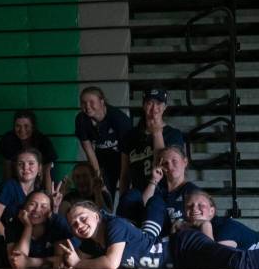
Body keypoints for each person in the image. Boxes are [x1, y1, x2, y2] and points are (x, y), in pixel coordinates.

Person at [58, 196, 259, 269]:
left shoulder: (114, 225)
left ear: (96, 215)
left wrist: (78, 265)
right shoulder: (94, 245)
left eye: (83, 218)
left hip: (184, 246)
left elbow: (110, 265)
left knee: (239, 262)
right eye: (74, 224)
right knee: (237, 263)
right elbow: (68, 261)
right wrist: (67, 263)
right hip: (183, 262)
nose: (79, 225)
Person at [117, 87, 186, 223]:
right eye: (150, 103)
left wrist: (157, 133)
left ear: (165, 107)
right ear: (143, 105)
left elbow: (161, 165)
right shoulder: (130, 136)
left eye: (159, 103)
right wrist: (122, 200)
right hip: (137, 194)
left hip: (162, 193)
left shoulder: (173, 134)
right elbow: (124, 173)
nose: (154, 108)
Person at [74, 86, 132, 196]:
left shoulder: (119, 119)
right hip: (103, 158)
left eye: (92, 102)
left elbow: (126, 153)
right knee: (103, 192)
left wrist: (124, 178)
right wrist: (98, 176)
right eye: (83, 103)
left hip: (123, 156)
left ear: (102, 101)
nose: (87, 106)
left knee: (126, 193)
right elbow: (89, 150)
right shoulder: (81, 120)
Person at [0, 148, 53, 238]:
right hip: (5, 242)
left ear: (39, 168)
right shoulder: (8, 187)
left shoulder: (39, 192)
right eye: (20, 164)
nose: (25, 167)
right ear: (16, 168)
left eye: (31, 163)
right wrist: (10, 242)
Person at [7, 191, 74, 269]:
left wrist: (29, 262)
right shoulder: (13, 224)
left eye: (44, 206)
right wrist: (28, 227)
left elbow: (60, 261)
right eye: (32, 204)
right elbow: (17, 263)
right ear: (24, 207)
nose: (37, 210)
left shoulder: (57, 223)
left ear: (50, 212)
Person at [0, 110, 58, 192]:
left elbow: (47, 170)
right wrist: (9, 192)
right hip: (17, 183)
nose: (22, 130)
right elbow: (7, 171)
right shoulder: (8, 140)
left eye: (26, 126)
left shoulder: (43, 141)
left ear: (33, 127)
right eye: (18, 126)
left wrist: (49, 195)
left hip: (38, 183)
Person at [140, 145, 201, 228]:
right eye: (165, 163)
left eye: (174, 161)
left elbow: (200, 221)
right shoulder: (157, 189)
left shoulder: (192, 191)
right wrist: (154, 180)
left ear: (185, 162)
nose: (169, 166)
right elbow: (143, 206)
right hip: (156, 235)